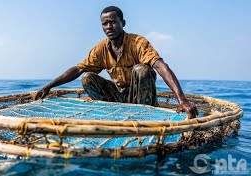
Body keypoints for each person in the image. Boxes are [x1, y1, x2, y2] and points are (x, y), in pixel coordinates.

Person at [36, 6, 198, 119]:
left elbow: (160, 66)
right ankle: (111, 113)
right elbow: (78, 69)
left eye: (113, 22)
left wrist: (182, 100)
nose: (109, 26)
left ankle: (145, 116)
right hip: (118, 98)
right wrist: (49, 86)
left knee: (142, 69)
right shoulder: (100, 49)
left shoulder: (137, 42)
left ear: (123, 23)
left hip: (141, 99)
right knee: (87, 77)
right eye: (105, 23)